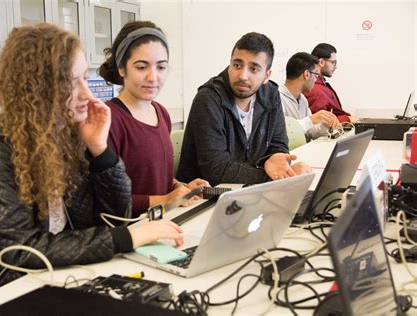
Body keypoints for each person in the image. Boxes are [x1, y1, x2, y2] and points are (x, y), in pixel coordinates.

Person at [0, 23, 184, 308]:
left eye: (85, 78)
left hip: (64, 272)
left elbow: (115, 216)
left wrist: (101, 151)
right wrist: (124, 238)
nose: (87, 94)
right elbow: (22, 251)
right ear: (37, 88)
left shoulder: (70, 135)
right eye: (71, 82)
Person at [98, 21, 208, 216]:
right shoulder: (108, 120)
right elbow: (108, 201)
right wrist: (164, 200)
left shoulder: (161, 112)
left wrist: (181, 188)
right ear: (122, 68)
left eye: (161, 67)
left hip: (162, 220)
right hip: (130, 231)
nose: (153, 77)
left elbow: (158, 179)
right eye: (141, 67)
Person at [177, 32, 310, 187]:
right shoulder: (208, 99)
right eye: (237, 65)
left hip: (248, 191)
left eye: (254, 69)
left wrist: (276, 161)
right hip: (203, 197)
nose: (242, 76)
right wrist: (275, 178)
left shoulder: (271, 95)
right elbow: (216, 171)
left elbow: (278, 145)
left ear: (267, 76)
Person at [279, 52, 340, 141]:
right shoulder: (277, 98)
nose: (316, 79)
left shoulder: (303, 99)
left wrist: (325, 125)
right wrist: (310, 120)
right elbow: (282, 133)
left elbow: (311, 132)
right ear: (307, 74)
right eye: (316, 75)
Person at [304, 43, 359, 123]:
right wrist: (347, 119)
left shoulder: (321, 85)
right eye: (333, 62)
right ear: (321, 62)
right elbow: (317, 123)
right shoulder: (316, 90)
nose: (336, 66)